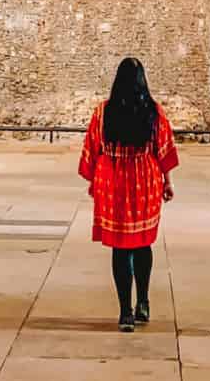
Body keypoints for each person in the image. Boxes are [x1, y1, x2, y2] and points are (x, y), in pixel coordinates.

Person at [78, 57, 179, 332]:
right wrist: (167, 183)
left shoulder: (103, 112)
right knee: (143, 242)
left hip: (112, 183)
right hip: (144, 181)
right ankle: (143, 302)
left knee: (120, 248)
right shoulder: (153, 112)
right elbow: (163, 150)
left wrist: (94, 180)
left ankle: (125, 313)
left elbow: (92, 148)